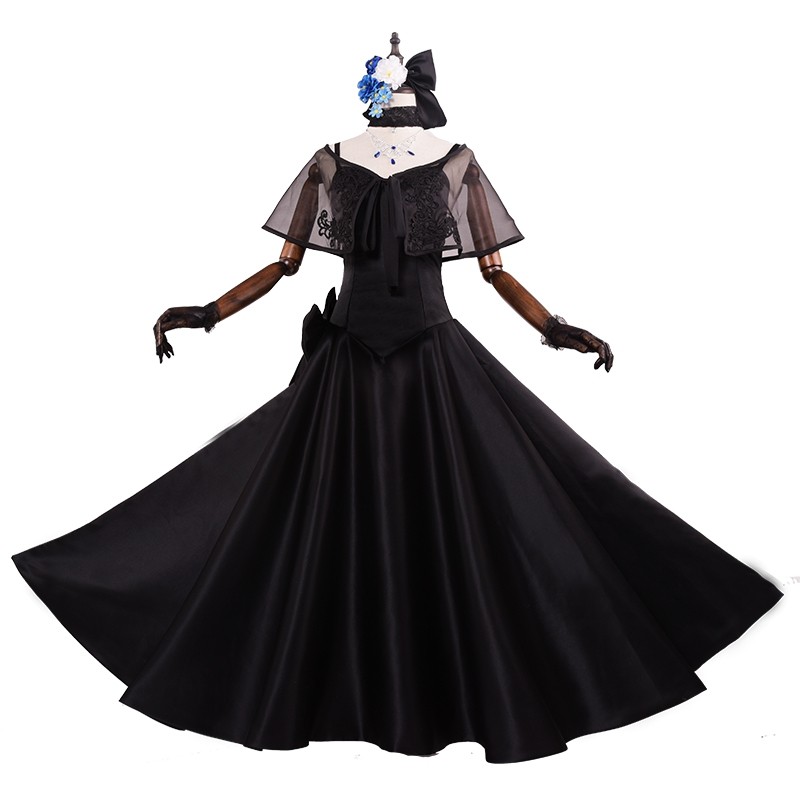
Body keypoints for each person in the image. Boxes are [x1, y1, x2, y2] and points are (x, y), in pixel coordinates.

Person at [10, 35, 783, 764]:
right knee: (295, 516)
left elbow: (465, 270)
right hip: (366, 366)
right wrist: (206, 312)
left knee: (514, 505)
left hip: (413, 363)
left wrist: (556, 327)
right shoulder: (366, 161)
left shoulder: (422, 160)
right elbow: (309, 267)